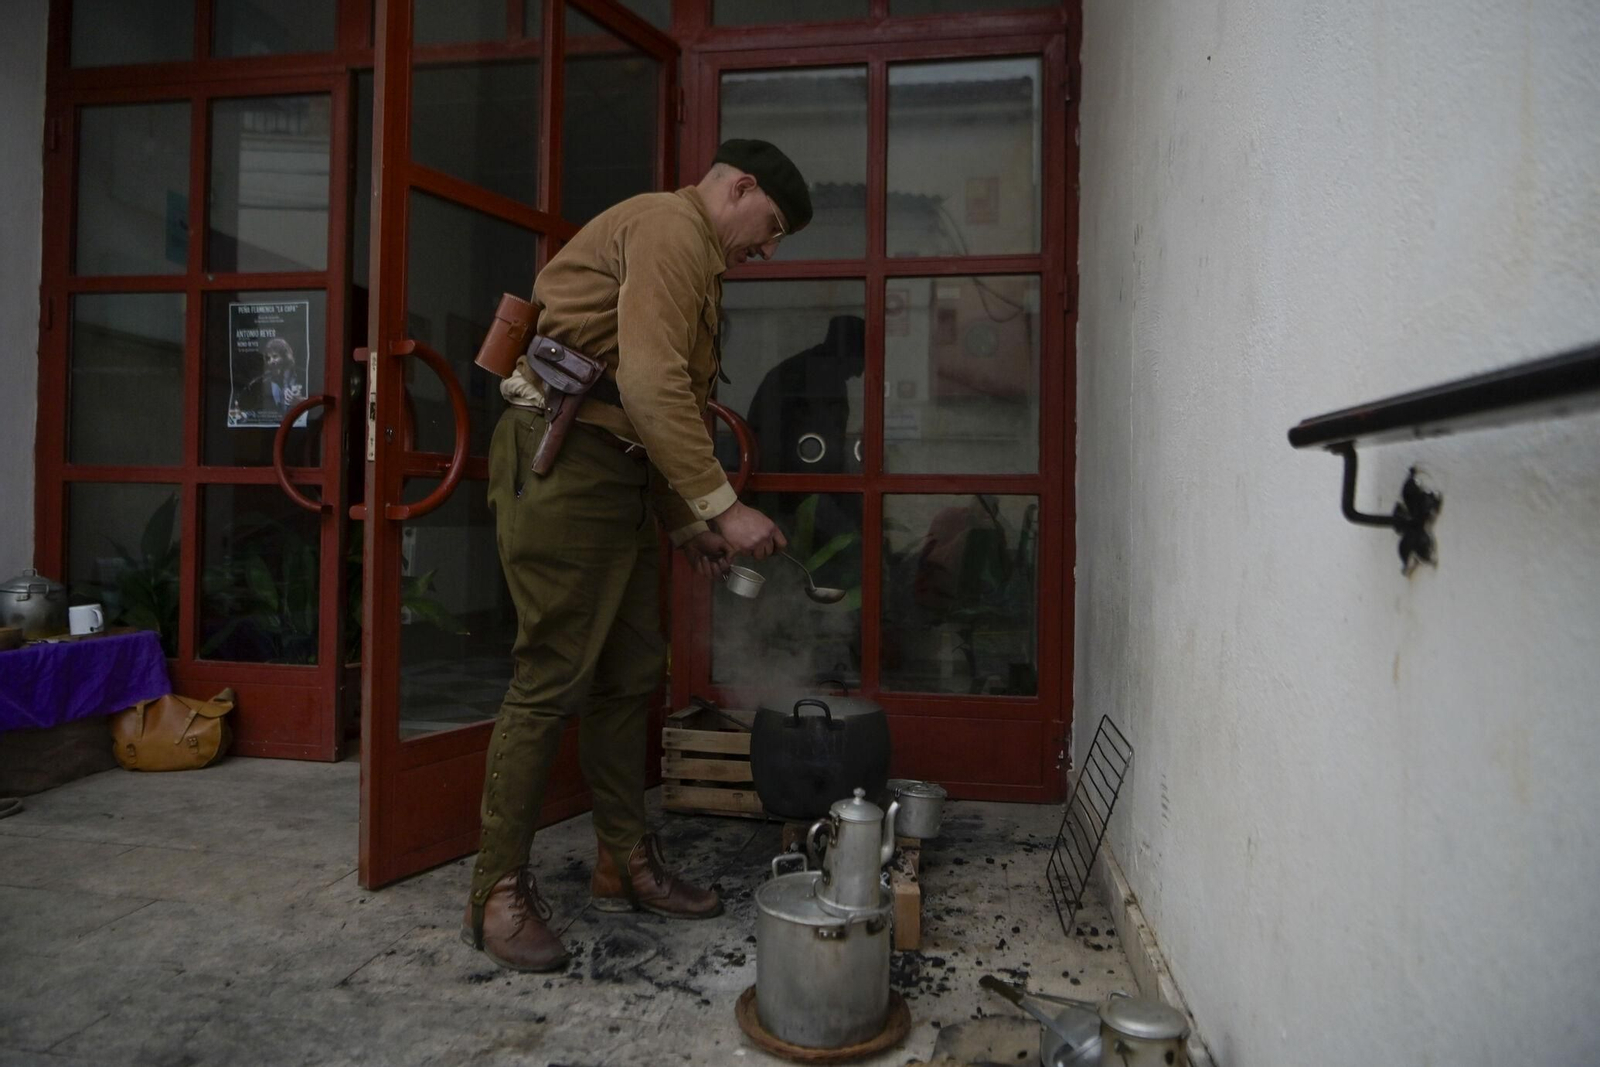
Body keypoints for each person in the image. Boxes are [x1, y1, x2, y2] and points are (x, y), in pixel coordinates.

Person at [462, 140, 810, 973]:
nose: (765, 250)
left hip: (610, 469)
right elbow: (651, 385)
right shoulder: (670, 226)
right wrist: (724, 505)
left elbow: (646, 408)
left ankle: (623, 860)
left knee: (628, 676)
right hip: (562, 462)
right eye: (768, 228)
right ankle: (494, 891)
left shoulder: (693, 256)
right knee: (551, 674)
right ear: (739, 186)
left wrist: (687, 522)